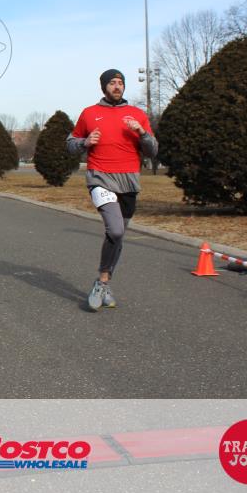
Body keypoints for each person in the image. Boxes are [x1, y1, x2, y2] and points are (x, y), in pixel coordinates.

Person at [67, 69, 158, 312]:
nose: (117, 86)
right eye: (112, 83)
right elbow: (71, 144)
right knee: (115, 229)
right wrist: (85, 142)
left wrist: (141, 132)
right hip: (100, 178)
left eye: (120, 83)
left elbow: (152, 151)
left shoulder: (137, 114)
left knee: (118, 236)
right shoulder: (89, 113)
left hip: (129, 181)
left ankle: (103, 282)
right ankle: (102, 283)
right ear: (104, 87)